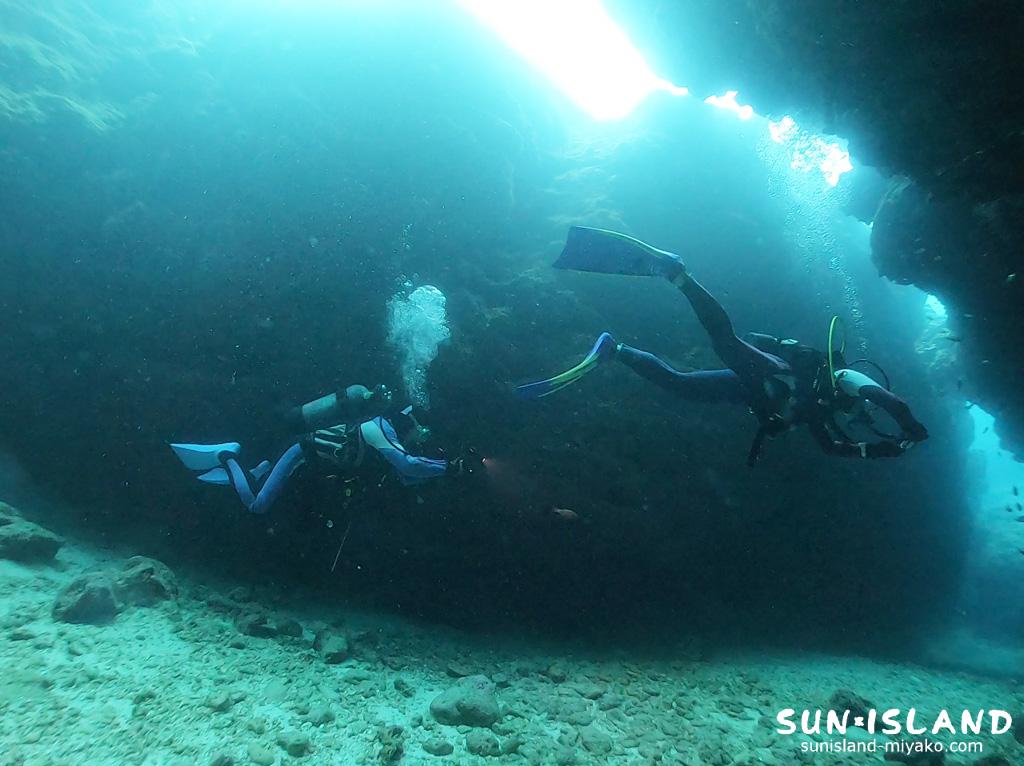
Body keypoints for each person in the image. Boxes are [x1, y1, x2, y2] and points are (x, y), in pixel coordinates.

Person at [519, 226, 929, 465]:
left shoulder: (823, 414)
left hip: (747, 389)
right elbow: (890, 401)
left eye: (860, 415)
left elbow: (832, 448)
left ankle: (617, 350)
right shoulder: (844, 378)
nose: (859, 413)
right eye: (861, 410)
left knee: (680, 385)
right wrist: (910, 427)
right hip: (775, 371)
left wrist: (882, 450)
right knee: (724, 340)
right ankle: (678, 274)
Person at [171, 399, 468, 517]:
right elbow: (408, 465)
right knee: (257, 505)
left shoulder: (387, 436)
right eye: (421, 430)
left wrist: (445, 471)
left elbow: (404, 477)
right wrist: (448, 468)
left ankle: (257, 470)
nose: (420, 437)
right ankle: (227, 456)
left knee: (263, 488)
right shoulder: (379, 428)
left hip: (310, 462)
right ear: (408, 421)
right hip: (300, 454)